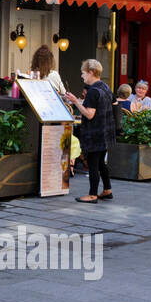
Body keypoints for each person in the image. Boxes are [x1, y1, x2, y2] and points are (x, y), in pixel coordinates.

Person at [66, 59, 114, 203]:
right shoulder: (105, 87)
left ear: (91, 72)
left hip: (95, 133)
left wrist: (75, 101)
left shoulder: (93, 91)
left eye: (83, 73)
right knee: (101, 163)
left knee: (93, 164)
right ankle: (107, 190)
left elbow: (89, 114)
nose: (82, 76)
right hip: (106, 131)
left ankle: (92, 195)